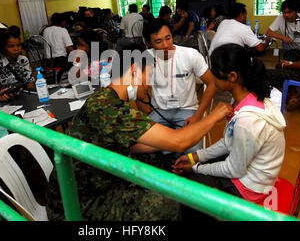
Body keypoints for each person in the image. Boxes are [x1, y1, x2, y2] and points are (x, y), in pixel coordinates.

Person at [45, 44, 233, 221]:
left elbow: (133, 146)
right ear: (134, 70)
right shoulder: (110, 108)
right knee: (177, 203)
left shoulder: (104, 97)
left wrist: (163, 144)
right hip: (78, 205)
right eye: (149, 77)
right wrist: (215, 114)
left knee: (163, 160)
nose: (150, 85)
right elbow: (180, 142)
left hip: (96, 182)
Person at [172, 43, 286, 220]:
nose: (211, 78)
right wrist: (197, 157)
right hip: (249, 174)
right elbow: (228, 141)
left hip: (250, 188)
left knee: (188, 193)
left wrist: (196, 168)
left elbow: (234, 170)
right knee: (196, 176)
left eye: (215, 73)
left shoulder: (247, 120)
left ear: (232, 76)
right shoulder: (247, 98)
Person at [142, 18, 217, 156]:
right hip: (159, 111)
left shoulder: (190, 55)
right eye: (158, 41)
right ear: (148, 43)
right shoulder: (146, 57)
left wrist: (198, 115)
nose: (165, 45)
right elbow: (139, 88)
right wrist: (141, 105)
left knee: (192, 152)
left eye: (168, 38)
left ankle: (167, 150)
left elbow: (212, 83)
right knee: (140, 147)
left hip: (187, 111)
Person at [0, 26, 35, 97]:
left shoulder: (23, 60)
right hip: (1, 102)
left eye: (18, 45)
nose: (16, 49)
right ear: (2, 49)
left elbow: (29, 82)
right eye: (11, 46)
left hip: (22, 97)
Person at [42, 12, 74, 83]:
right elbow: (69, 48)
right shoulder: (63, 30)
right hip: (60, 61)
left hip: (48, 62)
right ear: (62, 22)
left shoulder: (46, 30)